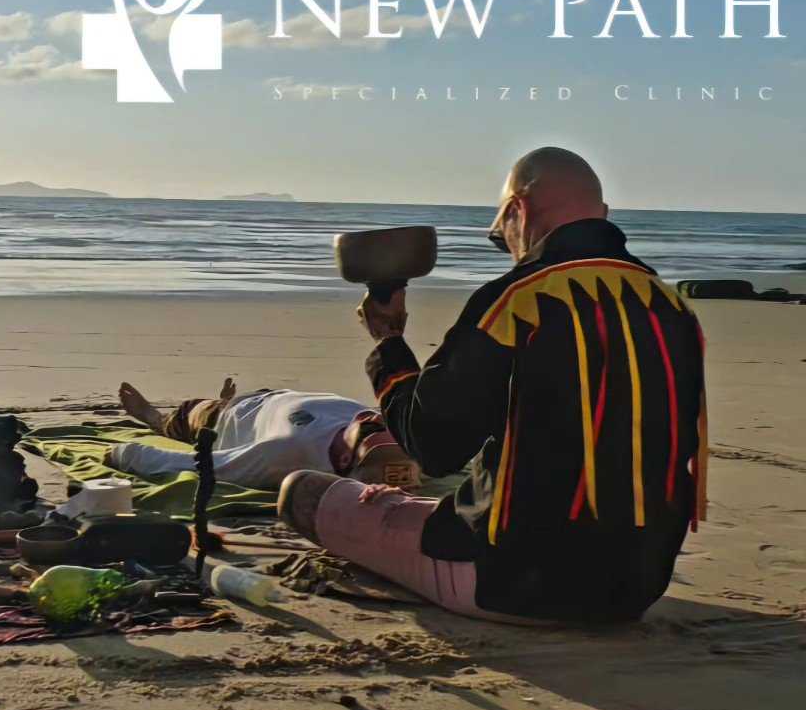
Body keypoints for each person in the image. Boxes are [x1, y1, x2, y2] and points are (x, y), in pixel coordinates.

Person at [279, 147, 707, 623]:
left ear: (518, 209)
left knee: (304, 493)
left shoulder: (519, 301)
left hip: (513, 583)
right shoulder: (672, 307)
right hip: (636, 587)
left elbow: (431, 445)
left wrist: (389, 343)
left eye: (501, 233)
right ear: (602, 214)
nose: (509, 247)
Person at [113, 379, 421, 490]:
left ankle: (153, 416)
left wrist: (125, 455)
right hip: (267, 400)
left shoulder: (288, 454)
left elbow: (201, 465)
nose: (374, 420)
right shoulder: (404, 438)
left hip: (232, 414)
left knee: (190, 413)